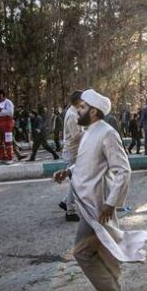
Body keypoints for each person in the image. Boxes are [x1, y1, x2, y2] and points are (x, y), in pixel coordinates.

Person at [52, 89, 147, 291]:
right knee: (101, 250)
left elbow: (123, 170)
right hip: (86, 203)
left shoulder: (107, 133)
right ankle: (108, 290)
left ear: (94, 111)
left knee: (82, 253)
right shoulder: (89, 132)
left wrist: (111, 204)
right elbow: (86, 165)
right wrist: (67, 171)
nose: (77, 111)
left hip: (97, 207)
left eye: (81, 107)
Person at [60, 91, 84, 221]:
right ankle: (69, 210)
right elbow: (76, 136)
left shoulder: (74, 113)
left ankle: (65, 202)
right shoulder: (72, 115)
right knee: (77, 182)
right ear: (78, 100)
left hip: (75, 152)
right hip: (72, 153)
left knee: (76, 181)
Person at [0, 89, 15, 161]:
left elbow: (10, 113)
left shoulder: (8, 102)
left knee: (8, 141)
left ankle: (9, 157)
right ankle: (2, 156)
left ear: (1, 95)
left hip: (7, 123)